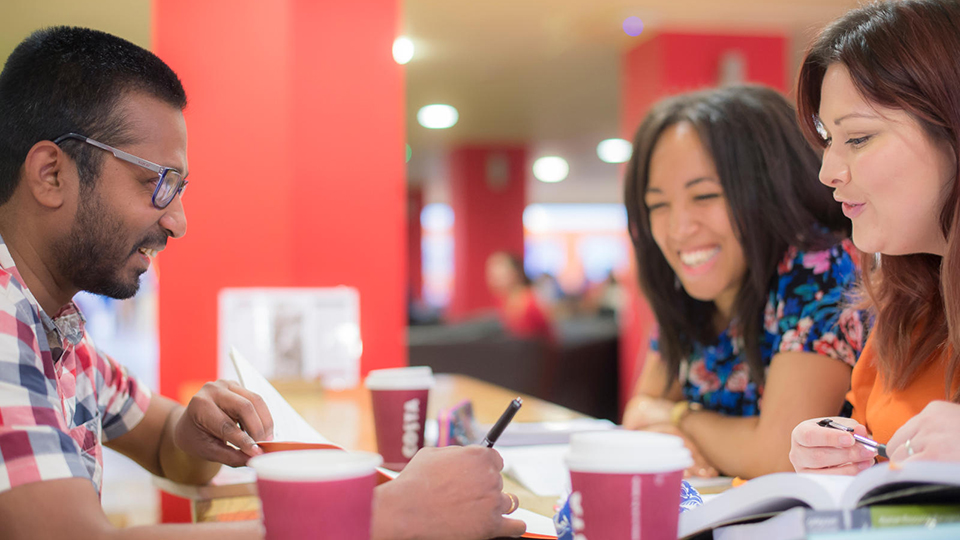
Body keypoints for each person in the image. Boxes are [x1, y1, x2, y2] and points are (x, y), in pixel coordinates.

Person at [0, 27, 525, 540]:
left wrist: (190, 429)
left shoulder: (58, 330)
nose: (177, 221)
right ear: (51, 175)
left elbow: (163, 445)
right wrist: (386, 519)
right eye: (157, 182)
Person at [621, 86, 867, 479]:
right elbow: (639, 409)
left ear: (770, 189)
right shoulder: (691, 290)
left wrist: (678, 416)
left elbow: (777, 455)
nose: (679, 229)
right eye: (658, 205)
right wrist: (660, 418)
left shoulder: (819, 266)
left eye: (704, 196)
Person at [787, 0, 960, 475]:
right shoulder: (905, 311)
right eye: (827, 141)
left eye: (858, 139)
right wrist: (841, 462)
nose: (827, 172)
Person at [485, 251, 555, 343]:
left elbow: (550, 338)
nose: (494, 280)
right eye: (492, 275)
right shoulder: (502, 301)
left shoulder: (531, 302)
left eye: (500, 275)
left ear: (516, 273)